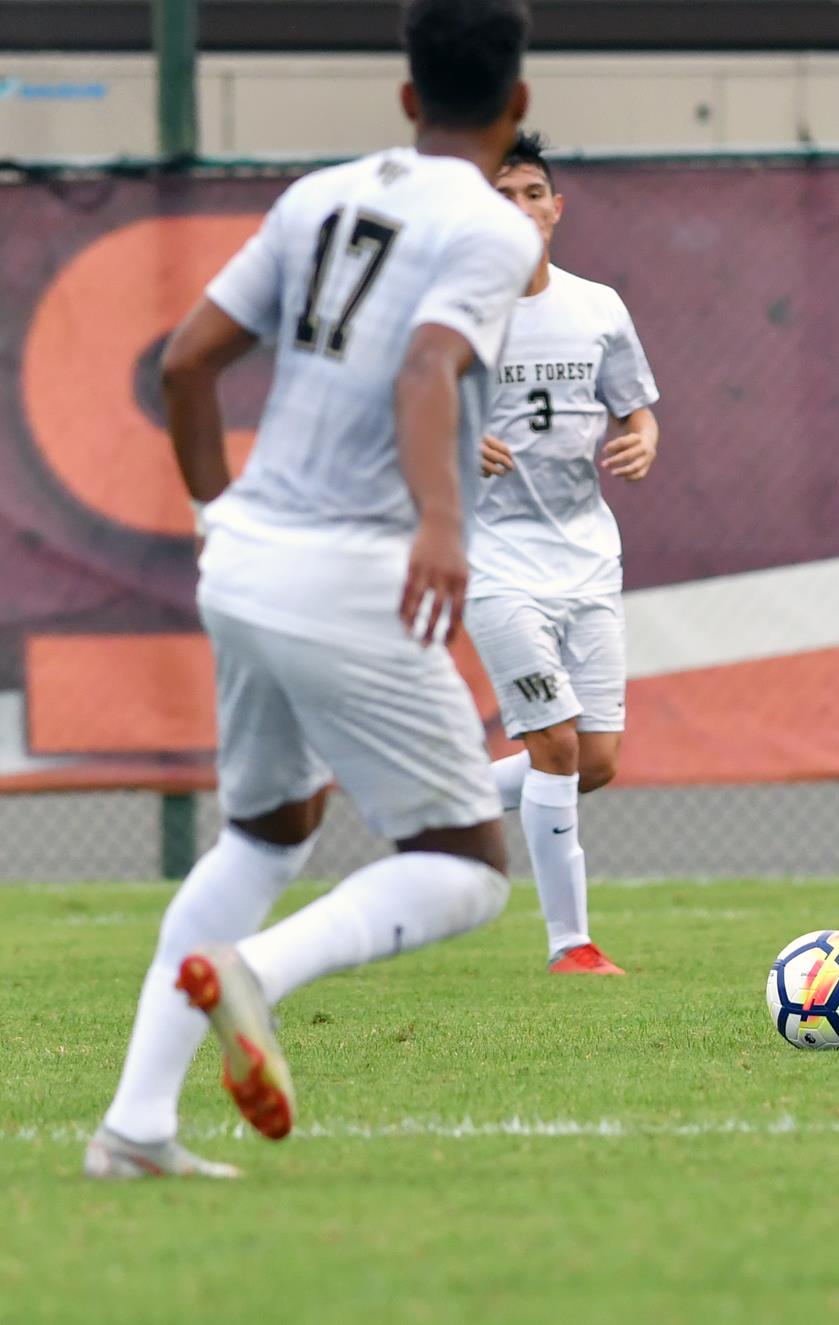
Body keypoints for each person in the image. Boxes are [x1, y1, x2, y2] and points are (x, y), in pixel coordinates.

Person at [84, 0, 543, 1178]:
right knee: (464, 863)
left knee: (265, 828)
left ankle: (135, 1128)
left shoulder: (316, 195)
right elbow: (429, 365)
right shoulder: (491, 231)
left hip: (242, 562)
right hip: (353, 572)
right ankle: (258, 973)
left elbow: (186, 363)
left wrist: (209, 518)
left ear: (404, 97)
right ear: (520, 105)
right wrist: (442, 523)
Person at [468, 130, 660, 976]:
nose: (519, 209)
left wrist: (644, 442)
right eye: (500, 195)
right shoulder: (453, 318)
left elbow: (638, 412)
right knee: (553, 746)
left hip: (588, 559)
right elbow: (393, 420)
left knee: (596, 761)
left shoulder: (598, 307)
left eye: (531, 193)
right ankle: (570, 944)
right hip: (496, 563)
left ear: (555, 208)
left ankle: (447, 803)